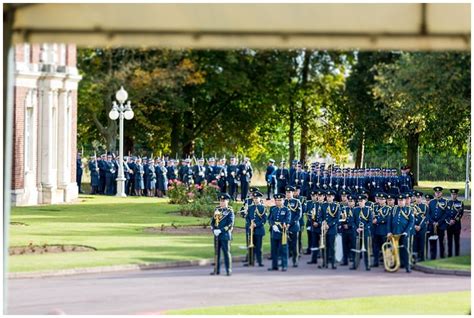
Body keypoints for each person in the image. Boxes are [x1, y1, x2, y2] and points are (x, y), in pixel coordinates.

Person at [387, 193, 414, 273]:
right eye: (399, 200)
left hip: (403, 234)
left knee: (404, 250)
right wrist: (389, 231)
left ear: (405, 201)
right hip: (394, 234)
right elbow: (389, 221)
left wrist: (406, 232)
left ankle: (407, 266)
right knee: (393, 250)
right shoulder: (394, 209)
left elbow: (411, 222)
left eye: (402, 200)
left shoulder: (409, 210)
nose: (400, 202)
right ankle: (394, 265)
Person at [210, 193, 235, 276]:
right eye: (221, 201)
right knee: (216, 253)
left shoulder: (230, 211)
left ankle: (228, 270)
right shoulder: (217, 210)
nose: (222, 203)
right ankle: (216, 270)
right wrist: (213, 229)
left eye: (223, 201)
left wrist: (220, 230)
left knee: (226, 253)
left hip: (225, 235)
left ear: (227, 201)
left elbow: (230, 224)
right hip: (217, 235)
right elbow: (212, 222)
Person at [268, 193, 290, 271]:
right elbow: (270, 219)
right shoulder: (274, 209)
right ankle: (275, 266)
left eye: (280, 200)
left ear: (283, 200)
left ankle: (284, 265)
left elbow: (287, 220)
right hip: (274, 232)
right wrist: (273, 225)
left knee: (284, 250)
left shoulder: (286, 210)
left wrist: (283, 224)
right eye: (276, 200)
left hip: (282, 232)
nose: (278, 202)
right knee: (274, 250)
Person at [245, 191, 267, 267]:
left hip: (259, 230)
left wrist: (256, 224)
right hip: (251, 230)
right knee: (251, 247)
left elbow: (264, 219)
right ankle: (251, 261)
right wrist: (250, 224)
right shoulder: (251, 207)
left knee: (259, 247)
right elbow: (247, 217)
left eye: (257, 198)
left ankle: (260, 261)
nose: (255, 199)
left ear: (259, 198)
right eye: (254, 198)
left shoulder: (262, 208)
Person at [351, 194, 372, 271]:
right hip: (357, 232)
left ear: (365, 201)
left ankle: (367, 265)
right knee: (356, 250)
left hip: (365, 232)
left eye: (361, 201)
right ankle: (355, 265)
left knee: (367, 250)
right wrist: (357, 228)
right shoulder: (355, 210)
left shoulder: (369, 210)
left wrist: (364, 228)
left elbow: (370, 222)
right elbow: (352, 221)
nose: (360, 203)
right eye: (359, 201)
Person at [321, 190, 341, 269]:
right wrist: (322, 223)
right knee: (324, 247)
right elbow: (320, 216)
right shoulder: (323, 205)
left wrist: (329, 225)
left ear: (333, 197)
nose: (328, 198)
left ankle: (333, 263)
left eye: (330, 197)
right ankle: (324, 262)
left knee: (332, 247)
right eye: (327, 196)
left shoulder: (336, 206)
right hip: (324, 229)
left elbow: (337, 219)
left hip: (332, 229)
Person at [428, 186, 448, 259]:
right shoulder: (431, 202)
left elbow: (446, 214)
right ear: (434, 193)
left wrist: (439, 222)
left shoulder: (445, 202)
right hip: (432, 226)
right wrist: (433, 222)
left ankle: (442, 257)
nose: (437, 194)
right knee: (432, 242)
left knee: (441, 242)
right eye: (436, 193)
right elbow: (428, 214)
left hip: (441, 225)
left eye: (439, 192)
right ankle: (433, 257)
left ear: (441, 193)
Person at [284, 186, 302, 268]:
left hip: (294, 226)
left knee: (294, 245)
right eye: (287, 192)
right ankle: (285, 261)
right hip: (284, 227)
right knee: (285, 244)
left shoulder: (297, 201)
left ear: (292, 193)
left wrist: (290, 223)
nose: (288, 194)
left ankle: (295, 260)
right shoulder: (283, 202)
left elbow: (298, 215)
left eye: (289, 192)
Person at [306, 190, 325, 264]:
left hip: (322, 227)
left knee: (323, 243)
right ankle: (314, 259)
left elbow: (326, 217)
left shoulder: (326, 205)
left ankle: (324, 258)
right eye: (318, 196)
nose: (319, 197)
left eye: (321, 196)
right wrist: (313, 222)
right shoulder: (314, 205)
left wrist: (319, 223)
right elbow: (310, 215)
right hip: (314, 227)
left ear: (324, 197)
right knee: (314, 243)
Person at [372, 193, 390, 267]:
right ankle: (375, 262)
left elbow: (387, 219)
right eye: (379, 199)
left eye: (382, 199)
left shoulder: (389, 208)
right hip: (375, 230)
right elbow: (371, 216)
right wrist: (373, 220)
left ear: (385, 200)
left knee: (385, 247)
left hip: (383, 231)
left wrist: (378, 220)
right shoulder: (374, 207)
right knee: (375, 247)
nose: (381, 200)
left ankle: (387, 262)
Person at [339, 194, 356, 266]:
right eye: (349, 201)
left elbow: (356, 220)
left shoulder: (356, 210)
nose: (350, 203)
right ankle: (345, 260)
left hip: (352, 230)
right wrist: (343, 224)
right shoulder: (344, 209)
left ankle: (354, 259)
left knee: (353, 245)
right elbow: (340, 218)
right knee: (344, 246)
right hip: (344, 230)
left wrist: (348, 225)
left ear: (354, 202)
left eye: (351, 201)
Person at [447, 189, 464, 257]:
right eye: (452, 194)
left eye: (454, 194)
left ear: (457, 195)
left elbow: (460, 214)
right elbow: (446, 213)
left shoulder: (460, 203)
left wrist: (454, 220)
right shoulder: (448, 203)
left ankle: (457, 255)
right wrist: (449, 220)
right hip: (449, 225)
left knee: (457, 241)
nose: (453, 196)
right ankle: (449, 255)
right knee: (449, 241)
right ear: (451, 195)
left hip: (456, 225)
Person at [413, 191, 428, 262]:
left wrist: (420, 226)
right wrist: (414, 226)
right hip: (414, 227)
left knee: (422, 243)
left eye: (419, 197)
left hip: (422, 228)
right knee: (414, 244)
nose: (418, 199)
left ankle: (422, 258)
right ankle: (415, 258)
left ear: (421, 198)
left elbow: (426, 217)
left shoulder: (425, 207)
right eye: (416, 197)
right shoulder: (411, 206)